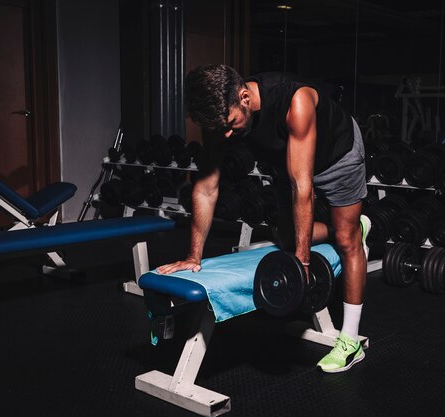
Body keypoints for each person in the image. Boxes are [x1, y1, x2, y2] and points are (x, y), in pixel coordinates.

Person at [157, 64, 371, 373]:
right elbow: (205, 187)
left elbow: (303, 188)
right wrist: (193, 255)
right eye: (221, 129)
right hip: (289, 159)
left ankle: (350, 342)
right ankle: (344, 230)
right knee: (286, 234)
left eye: (231, 124)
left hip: (338, 154)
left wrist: (302, 262)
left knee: (347, 241)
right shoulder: (220, 116)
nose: (227, 134)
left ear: (244, 97)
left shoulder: (295, 102)